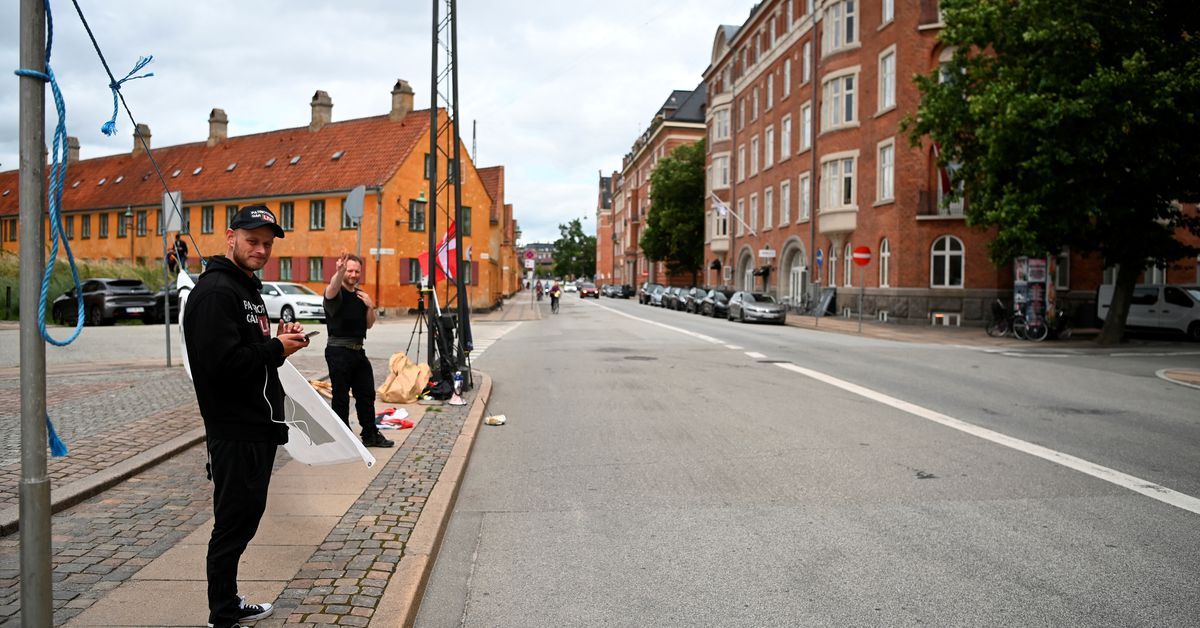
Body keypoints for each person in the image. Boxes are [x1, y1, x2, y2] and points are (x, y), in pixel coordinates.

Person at [183, 204, 310, 628]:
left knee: (243, 519)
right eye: (252, 241)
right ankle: (222, 614)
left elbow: (246, 351)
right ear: (230, 236)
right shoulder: (217, 292)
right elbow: (221, 366)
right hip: (234, 428)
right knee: (233, 524)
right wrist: (277, 350)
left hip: (256, 424)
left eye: (267, 244)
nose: (260, 249)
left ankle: (228, 601)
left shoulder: (246, 288)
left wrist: (276, 341)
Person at [324, 252, 394, 448]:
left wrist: (370, 306)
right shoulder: (335, 293)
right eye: (350, 270)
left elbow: (369, 325)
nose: (353, 274)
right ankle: (342, 438)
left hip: (358, 351)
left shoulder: (360, 295)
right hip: (338, 351)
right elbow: (332, 288)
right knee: (341, 396)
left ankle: (370, 434)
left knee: (366, 394)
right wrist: (338, 272)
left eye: (357, 271)